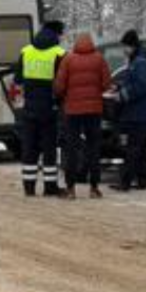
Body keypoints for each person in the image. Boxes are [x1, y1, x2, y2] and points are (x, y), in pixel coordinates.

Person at [54, 33, 112, 200]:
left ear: (76, 44)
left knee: (72, 149)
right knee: (93, 148)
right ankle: (94, 188)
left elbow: (59, 86)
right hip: (94, 110)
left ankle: (71, 189)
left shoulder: (68, 60)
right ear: (91, 44)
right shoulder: (99, 59)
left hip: (72, 111)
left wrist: (64, 96)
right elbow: (106, 84)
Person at [15, 21, 66, 197]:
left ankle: (29, 187)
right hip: (50, 108)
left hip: (29, 108)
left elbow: (18, 79)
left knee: (30, 147)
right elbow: (63, 82)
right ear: (57, 34)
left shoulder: (26, 51)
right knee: (49, 148)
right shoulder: (59, 53)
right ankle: (50, 187)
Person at [110, 30, 146, 192]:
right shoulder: (136, 62)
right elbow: (133, 81)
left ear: (131, 46)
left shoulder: (141, 63)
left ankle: (125, 182)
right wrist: (118, 86)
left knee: (133, 148)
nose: (123, 50)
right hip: (140, 113)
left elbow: (142, 86)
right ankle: (144, 181)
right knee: (141, 148)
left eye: (125, 46)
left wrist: (122, 95)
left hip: (140, 114)